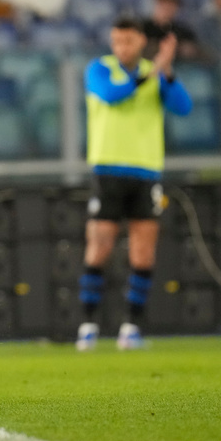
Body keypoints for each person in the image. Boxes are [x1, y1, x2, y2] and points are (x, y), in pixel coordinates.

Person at [77, 18, 191, 352]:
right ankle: (87, 326)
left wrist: (166, 72)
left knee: (143, 253)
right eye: (116, 41)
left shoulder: (155, 74)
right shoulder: (100, 68)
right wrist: (151, 73)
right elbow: (111, 95)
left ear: (141, 41)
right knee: (99, 247)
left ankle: (131, 329)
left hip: (145, 172)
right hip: (108, 169)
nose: (121, 47)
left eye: (127, 41)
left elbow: (183, 106)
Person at [142, 0, 204, 64]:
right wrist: (176, 49)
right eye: (163, 3)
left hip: (179, 70)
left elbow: (200, 52)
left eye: (171, 4)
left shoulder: (183, 31)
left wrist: (193, 50)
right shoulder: (143, 28)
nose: (167, 8)